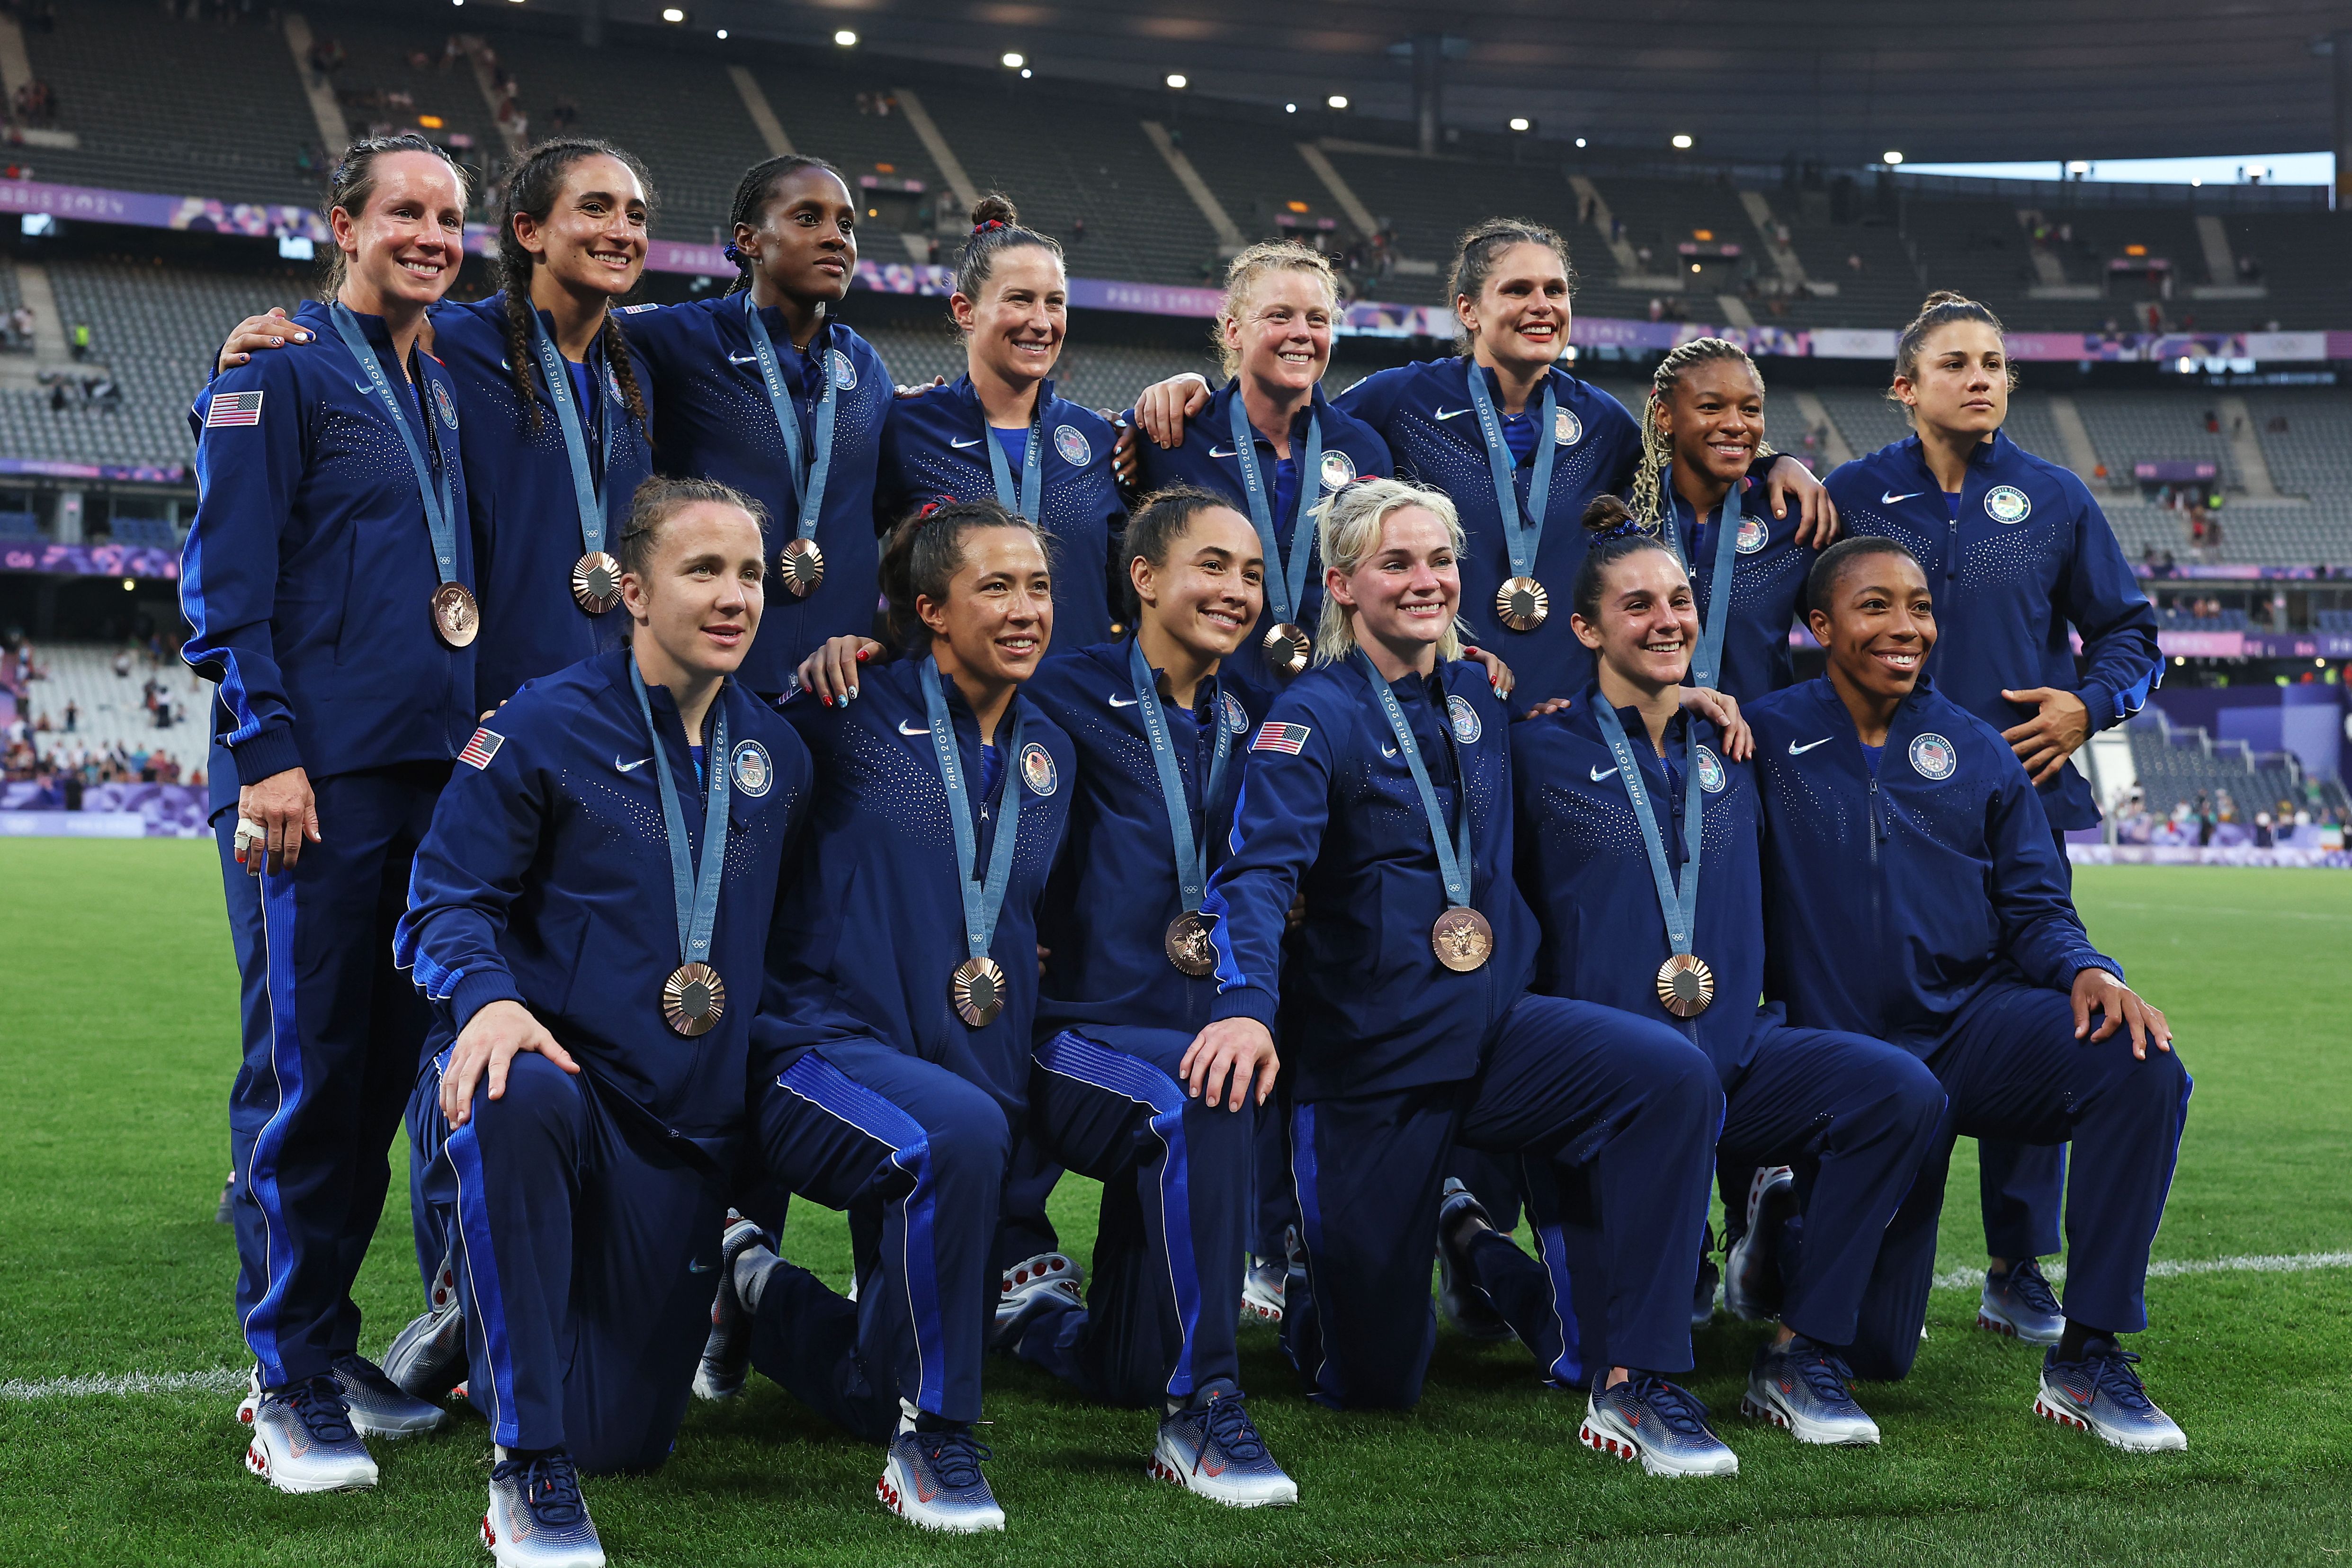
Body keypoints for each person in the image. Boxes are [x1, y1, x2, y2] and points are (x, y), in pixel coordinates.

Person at [1186, 477, 1736, 1478]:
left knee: (1670, 1076)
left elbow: (1571, 740)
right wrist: (1242, 1007)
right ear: (1343, 583)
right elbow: (1258, 875)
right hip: (1372, 1063)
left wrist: (1668, 692)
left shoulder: (1478, 693)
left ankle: (1638, 1377)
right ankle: (1408, 1251)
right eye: (1395, 562)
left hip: (1495, 1033)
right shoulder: (1311, 717)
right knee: (1375, 1380)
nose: (1425, 579)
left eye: (1438, 559)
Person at [394, 477, 808, 1561]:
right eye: (702, 570)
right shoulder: (541, 724)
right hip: (568, 1094)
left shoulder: (780, 759)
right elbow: (441, 900)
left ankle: (486, 1330)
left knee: (623, 1441)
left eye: (750, 574)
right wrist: (485, 1001)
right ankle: (524, 1468)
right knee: (504, 1080)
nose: (734, 597)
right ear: (632, 590)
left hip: (683, 1143)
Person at [1490, 498, 1944, 1445]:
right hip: (1601, 1084)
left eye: (1679, 601)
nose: (1667, 619)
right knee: (1576, 1347)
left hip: (1732, 1058)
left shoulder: (1741, 745)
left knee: (1896, 1091)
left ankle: (1799, 1350)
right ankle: (1491, 1260)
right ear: (1582, 628)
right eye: (1636, 605)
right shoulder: (1528, 751)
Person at [181, 134, 478, 1492]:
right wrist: (266, 753)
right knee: (308, 1077)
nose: (428, 233)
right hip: (309, 781)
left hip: (425, 777)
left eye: (448, 216)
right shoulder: (278, 367)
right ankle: (281, 1378)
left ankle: (326, 1341)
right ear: (341, 224)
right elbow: (226, 587)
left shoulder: (446, 379)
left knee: (370, 1085)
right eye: (402, 212)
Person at [1749, 536, 2189, 1451]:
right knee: (1878, 1350)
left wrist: (2089, 971)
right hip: (1842, 1057)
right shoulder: (1760, 740)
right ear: (1820, 625)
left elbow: (2035, 905)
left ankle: (2089, 1356)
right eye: (1876, 607)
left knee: (2139, 1062)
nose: (1906, 626)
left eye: (1918, 606)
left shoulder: (1977, 751)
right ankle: (1789, 1275)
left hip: (1968, 1029)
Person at [699, 498, 1073, 1532]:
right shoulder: (842, 705)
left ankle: (749, 1284)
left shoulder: (1055, 747)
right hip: (818, 1046)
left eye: (1037, 585)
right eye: (993, 586)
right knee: (952, 1141)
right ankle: (936, 1443)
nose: (1023, 607)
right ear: (929, 610)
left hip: (963, 1061)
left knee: (873, 1380)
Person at [1824, 293, 2164, 1346]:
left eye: (1994, 362)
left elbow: (2129, 632)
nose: (1980, 377)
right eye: (1956, 362)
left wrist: (2084, 705)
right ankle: (1792, 1217)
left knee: (2034, 999)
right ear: (1903, 385)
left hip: (2016, 808)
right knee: (1837, 1011)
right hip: (1865, 807)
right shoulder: (1844, 494)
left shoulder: (2055, 495)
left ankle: (2017, 1262)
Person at [1121, 218, 1833, 707]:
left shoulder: (1603, 424)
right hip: (1440, 693)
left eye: (1553, 291)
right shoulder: (1396, 404)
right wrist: (1183, 390)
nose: (1540, 305)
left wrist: (1770, 462)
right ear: (1467, 308)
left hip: (1568, 704)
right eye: (1517, 290)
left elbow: (1686, 457)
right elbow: (1296, 416)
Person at [1003, 486, 1293, 1504]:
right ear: (1142, 577)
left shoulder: (1248, 716)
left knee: (1120, 1362)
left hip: (1183, 1032)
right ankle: (1203, 1407)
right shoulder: (1058, 687)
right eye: (1211, 565)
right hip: (1067, 1036)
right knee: (1196, 1095)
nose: (1236, 589)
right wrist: (845, 662)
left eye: (1252, 573)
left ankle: (1039, 1323)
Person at [211, 139, 663, 713]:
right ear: (528, 231)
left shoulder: (645, 367)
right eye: (595, 208)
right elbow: (348, 352)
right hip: (493, 706)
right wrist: (231, 376)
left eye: (636, 215)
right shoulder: (453, 341)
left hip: (620, 702)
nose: (621, 230)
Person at [623, 154, 894, 698]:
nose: (836, 237)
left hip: (836, 688)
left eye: (845, 224)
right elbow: (552, 327)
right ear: (749, 240)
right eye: (808, 218)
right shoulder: (680, 339)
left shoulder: (866, 371)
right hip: (708, 683)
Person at [1124, 242, 1392, 704]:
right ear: (1233, 330)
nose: (1301, 333)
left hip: (1325, 711)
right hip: (1190, 711)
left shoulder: (1364, 450)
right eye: (1278, 316)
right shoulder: (1172, 437)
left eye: (1317, 319)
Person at [877, 195, 1125, 651]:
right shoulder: (905, 427)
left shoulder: (1098, 438)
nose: (1041, 322)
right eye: (1020, 300)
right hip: (946, 710)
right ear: (964, 311)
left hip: (1076, 708)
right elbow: (850, 546)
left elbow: (1128, 589)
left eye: (1055, 303)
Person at [1618, 337, 1822, 704]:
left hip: (1756, 751)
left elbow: (1844, 637)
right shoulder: (1625, 520)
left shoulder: (1790, 520)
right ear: (1665, 416)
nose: (1735, 424)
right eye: (1711, 407)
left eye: (1750, 409)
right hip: (1642, 750)